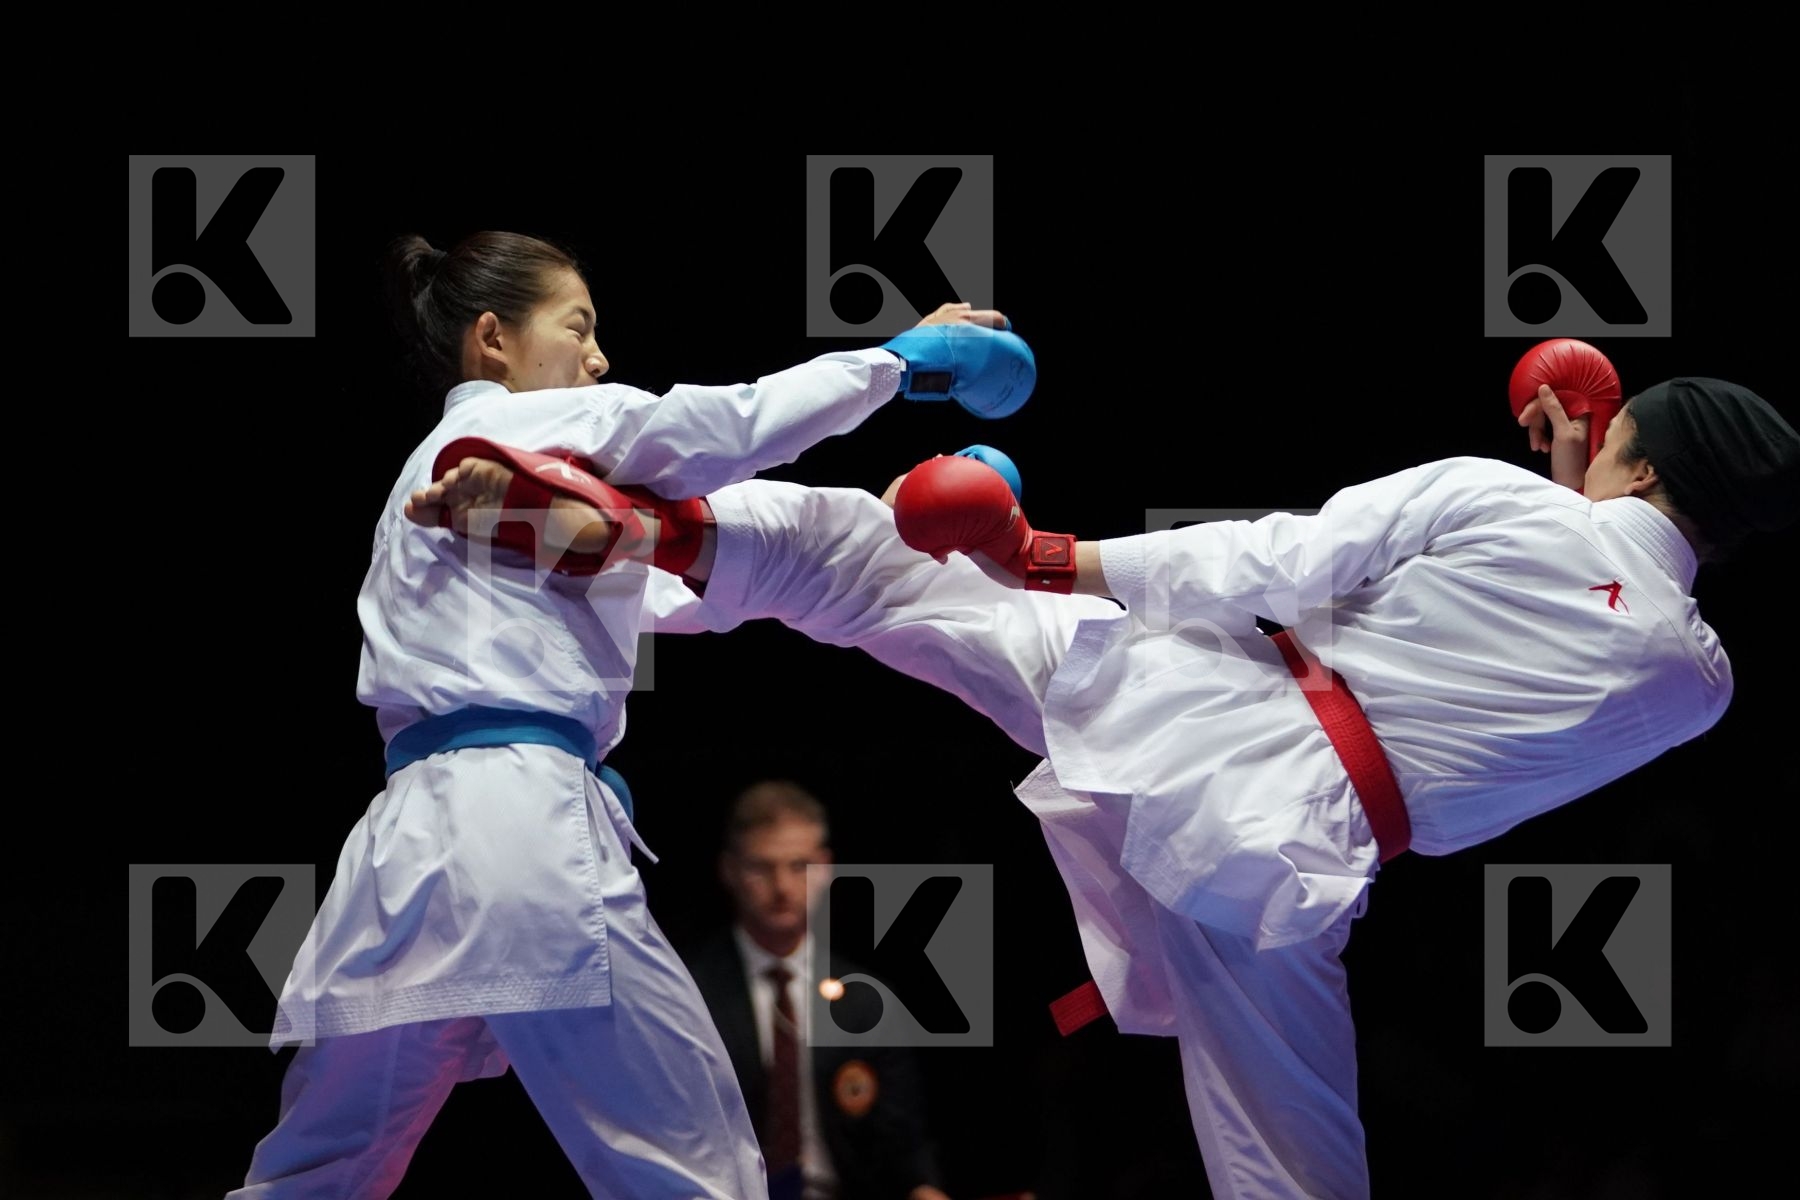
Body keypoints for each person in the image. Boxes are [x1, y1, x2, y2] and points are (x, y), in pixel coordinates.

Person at [409, 365, 1798, 1199]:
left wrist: (1052, 558)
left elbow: (1282, 561)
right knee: (1296, 1167)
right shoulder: (1699, 685)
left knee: (874, 561)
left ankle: (635, 529)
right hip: (1293, 874)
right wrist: (1574, 481)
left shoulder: (1504, 502)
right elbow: (1559, 619)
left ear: (1639, 460)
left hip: (1192, 723)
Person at [232, 228, 1029, 1199]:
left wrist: (875, 533)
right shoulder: (533, 424)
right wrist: (897, 364)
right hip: (521, 825)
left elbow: (678, 579)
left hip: (403, 851)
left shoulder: (423, 479)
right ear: (494, 338)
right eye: (578, 328)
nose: (599, 357)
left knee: (315, 1174)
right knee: (696, 1172)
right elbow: (728, 425)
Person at [680, 780, 950, 1200]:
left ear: (824, 869)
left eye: (799, 866)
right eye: (761, 867)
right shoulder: (689, 994)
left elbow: (904, 1145)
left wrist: (923, 1187)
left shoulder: (865, 1000)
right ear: (729, 870)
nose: (782, 887)